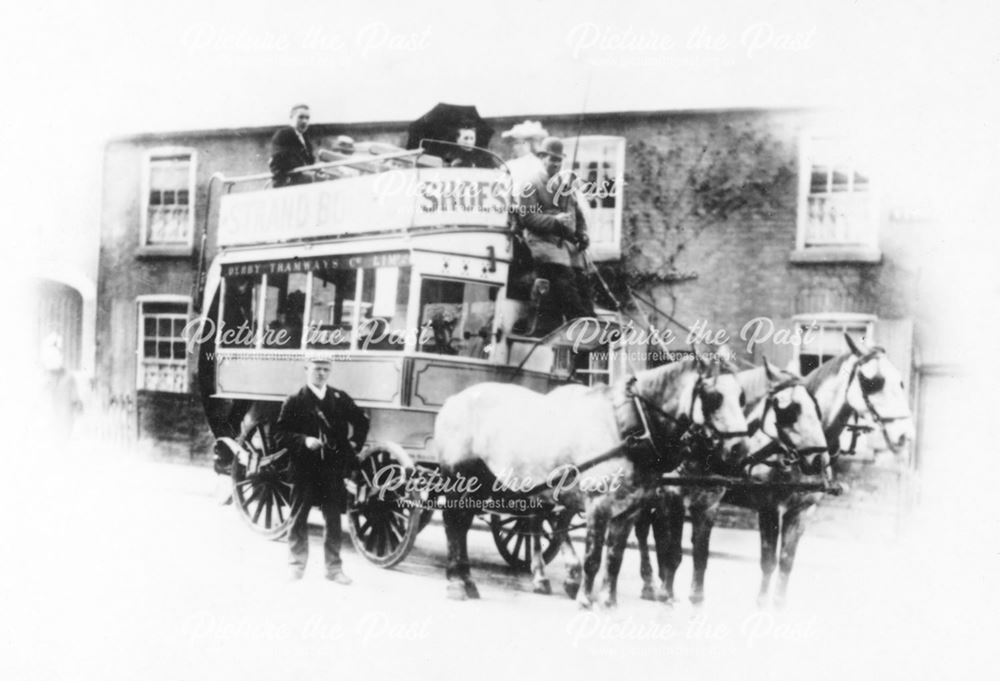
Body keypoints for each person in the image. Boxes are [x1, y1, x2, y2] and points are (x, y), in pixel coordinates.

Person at [275, 356, 370, 583]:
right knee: (298, 517)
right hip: (304, 468)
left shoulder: (339, 398)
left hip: (332, 468)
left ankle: (334, 569)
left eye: (326, 370)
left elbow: (361, 421)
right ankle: (296, 566)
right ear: (307, 369)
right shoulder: (295, 400)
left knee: (333, 519)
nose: (321, 374)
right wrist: (304, 440)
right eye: (317, 369)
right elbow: (279, 435)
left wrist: (355, 443)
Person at [515, 137, 594, 334]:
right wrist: (555, 221)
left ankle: (590, 319)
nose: (556, 164)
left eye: (559, 160)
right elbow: (527, 217)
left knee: (582, 277)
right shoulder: (530, 184)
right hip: (541, 243)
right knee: (563, 277)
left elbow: (578, 214)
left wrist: (581, 234)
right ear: (542, 158)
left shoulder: (564, 187)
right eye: (552, 160)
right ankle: (578, 320)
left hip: (564, 246)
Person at [269, 104, 316, 187]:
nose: (304, 121)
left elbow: (310, 161)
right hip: (288, 184)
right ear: (291, 117)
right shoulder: (283, 135)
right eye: (301, 117)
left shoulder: (305, 138)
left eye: (307, 118)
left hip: (304, 182)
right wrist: (303, 169)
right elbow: (277, 162)